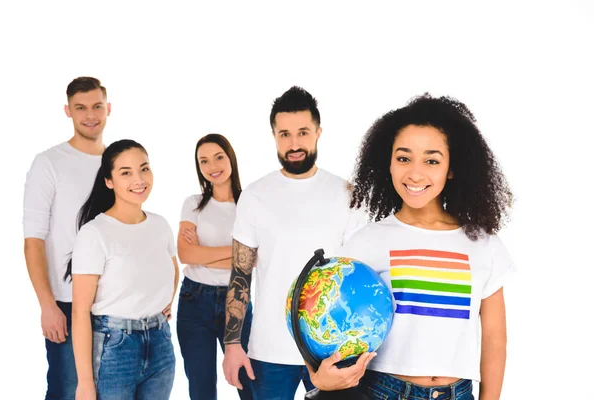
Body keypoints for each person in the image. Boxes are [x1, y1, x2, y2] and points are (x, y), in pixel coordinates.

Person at [309, 94, 515, 400]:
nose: (415, 173)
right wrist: (318, 375)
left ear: (452, 168)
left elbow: (495, 339)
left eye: (431, 160)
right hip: (383, 391)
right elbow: (315, 310)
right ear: (388, 163)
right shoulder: (368, 241)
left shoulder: (483, 244)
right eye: (404, 158)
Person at [222, 86, 367, 400]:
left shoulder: (346, 193)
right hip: (269, 351)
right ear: (273, 135)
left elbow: (360, 275)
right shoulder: (255, 196)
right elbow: (240, 274)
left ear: (318, 132)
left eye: (302, 132)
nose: (294, 143)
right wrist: (233, 345)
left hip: (332, 350)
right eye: (284, 134)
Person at [68, 139, 178, 400]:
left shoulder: (160, 225)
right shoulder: (95, 233)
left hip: (160, 343)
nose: (139, 179)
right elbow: (80, 311)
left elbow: (173, 270)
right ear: (109, 181)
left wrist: (164, 302)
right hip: (115, 349)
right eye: (125, 173)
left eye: (144, 168)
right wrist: (84, 383)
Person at [23, 76, 110, 399]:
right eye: (81, 108)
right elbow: (33, 240)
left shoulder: (117, 162)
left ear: (108, 108)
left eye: (97, 106)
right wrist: (47, 305)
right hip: (67, 300)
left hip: (114, 301)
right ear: (68, 111)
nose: (90, 115)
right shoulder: (49, 163)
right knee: (67, 389)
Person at [176, 133, 253, 400]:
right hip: (194, 299)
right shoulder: (193, 204)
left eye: (219, 157)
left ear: (230, 158)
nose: (213, 166)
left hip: (238, 300)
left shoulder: (249, 205)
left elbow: (258, 259)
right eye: (204, 161)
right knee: (201, 389)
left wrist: (204, 254)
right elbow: (186, 253)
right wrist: (239, 253)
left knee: (249, 384)